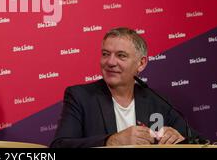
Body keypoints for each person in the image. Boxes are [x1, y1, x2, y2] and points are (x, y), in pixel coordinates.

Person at [51, 27, 201, 148]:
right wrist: (112, 141)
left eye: (121, 55)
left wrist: (180, 140)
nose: (110, 62)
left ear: (141, 63)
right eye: (105, 54)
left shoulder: (157, 101)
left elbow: (201, 142)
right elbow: (59, 146)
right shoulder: (80, 96)